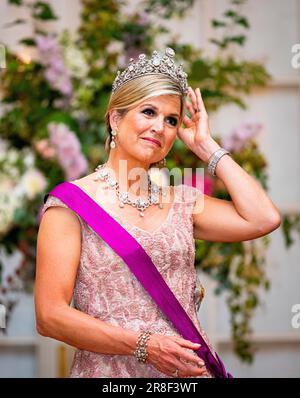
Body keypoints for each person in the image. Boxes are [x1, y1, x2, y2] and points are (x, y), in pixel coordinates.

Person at [35, 48, 281, 378]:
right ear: (115, 118)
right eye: (148, 111)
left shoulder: (183, 202)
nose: (159, 127)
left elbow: (264, 218)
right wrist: (145, 346)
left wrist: (206, 146)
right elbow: (49, 315)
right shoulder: (70, 206)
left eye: (171, 120)